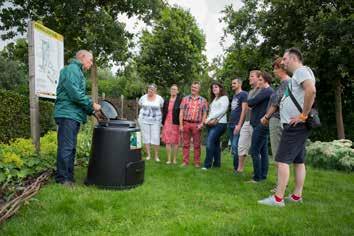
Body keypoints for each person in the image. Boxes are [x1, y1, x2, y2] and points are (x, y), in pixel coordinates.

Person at [258, 48, 316, 207]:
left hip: (295, 125)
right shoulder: (302, 73)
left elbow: (311, 90)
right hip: (296, 125)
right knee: (298, 161)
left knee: (282, 160)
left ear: (293, 58)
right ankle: (296, 196)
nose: (282, 62)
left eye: (284, 59)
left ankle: (278, 199)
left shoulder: (301, 71)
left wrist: (303, 115)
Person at [54, 50, 101, 185]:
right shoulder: (72, 70)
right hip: (67, 114)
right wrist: (91, 104)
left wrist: (91, 111)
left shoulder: (77, 71)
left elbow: (78, 97)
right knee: (66, 147)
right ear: (82, 57)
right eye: (90, 60)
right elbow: (75, 94)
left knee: (71, 147)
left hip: (72, 114)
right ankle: (62, 179)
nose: (91, 64)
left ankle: (69, 177)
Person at [261, 57, 290, 192]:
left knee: (278, 154)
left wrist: (266, 116)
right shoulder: (287, 83)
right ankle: (281, 183)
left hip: (277, 120)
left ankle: (280, 185)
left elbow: (276, 102)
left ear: (281, 68)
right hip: (280, 120)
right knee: (280, 154)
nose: (274, 71)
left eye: (275, 68)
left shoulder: (286, 82)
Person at [248, 71, 274, 182]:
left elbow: (251, 102)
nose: (258, 82)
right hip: (259, 124)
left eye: (260, 80)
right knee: (263, 152)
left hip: (261, 125)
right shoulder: (264, 91)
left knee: (254, 151)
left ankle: (257, 177)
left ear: (265, 81)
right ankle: (262, 175)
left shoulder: (267, 91)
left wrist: (250, 101)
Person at [236, 70, 261, 172]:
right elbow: (247, 108)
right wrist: (240, 123)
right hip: (247, 121)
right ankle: (240, 169)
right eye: (249, 76)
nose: (249, 78)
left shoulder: (262, 90)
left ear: (259, 78)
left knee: (256, 149)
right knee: (241, 145)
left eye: (252, 76)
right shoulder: (250, 92)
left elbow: (254, 106)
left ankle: (257, 173)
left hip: (256, 123)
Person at [179, 81, 208, 168]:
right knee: (185, 144)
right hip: (186, 123)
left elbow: (205, 113)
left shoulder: (203, 100)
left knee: (197, 145)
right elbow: (181, 112)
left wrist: (202, 123)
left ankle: (197, 162)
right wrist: (181, 125)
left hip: (197, 125)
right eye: (192, 87)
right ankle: (185, 162)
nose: (193, 89)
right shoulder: (185, 99)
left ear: (199, 89)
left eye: (195, 87)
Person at [202, 81, 229, 170]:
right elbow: (211, 112)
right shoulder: (214, 99)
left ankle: (207, 165)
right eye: (213, 87)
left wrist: (207, 120)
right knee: (216, 144)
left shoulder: (224, 98)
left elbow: (222, 110)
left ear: (220, 88)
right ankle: (217, 164)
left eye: (216, 87)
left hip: (220, 124)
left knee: (209, 143)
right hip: (211, 123)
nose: (214, 89)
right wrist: (207, 120)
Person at [138, 84, 164, 162]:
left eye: (152, 89)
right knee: (146, 137)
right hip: (144, 120)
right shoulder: (143, 97)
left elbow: (162, 107)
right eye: (149, 89)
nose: (150, 90)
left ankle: (156, 156)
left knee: (156, 138)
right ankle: (148, 155)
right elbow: (140, 105)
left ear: (155, 90)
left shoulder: (159, 98)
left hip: (156, 121)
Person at [228, 78, 248, 173]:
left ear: (240, 84)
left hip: (237, 124)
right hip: (231, 124)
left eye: (234, 83)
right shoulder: (235, 96)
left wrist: (239, 125)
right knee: (233, 146)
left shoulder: (244, 94)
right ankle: (235, 168)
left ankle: (238, 168)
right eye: (232, 83)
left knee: (236, 146)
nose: (232, 85)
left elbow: (244, 110)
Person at [161, 84, 182, 164]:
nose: (173, 90)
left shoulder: (180, 100)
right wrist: (162, 122)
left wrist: (181, 124)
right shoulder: (166, 100)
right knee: (168, 141)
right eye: (172, 89)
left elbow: (181, 113)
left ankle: (174, 159)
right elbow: (164, 112)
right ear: (170, 90)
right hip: (167, 122)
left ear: (177, 91)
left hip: (176, 123)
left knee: (175, 141)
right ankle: (169, 159)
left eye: (175, 89)